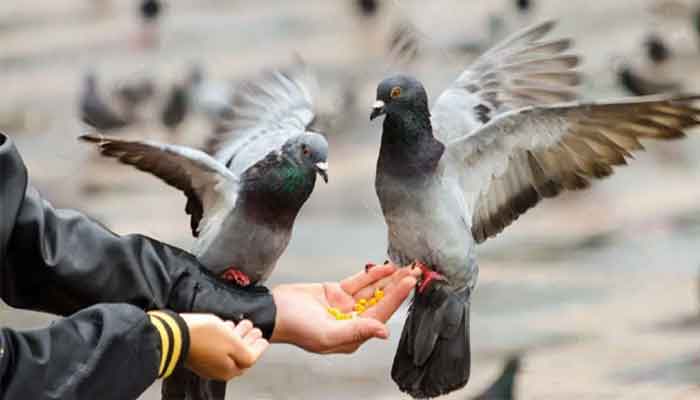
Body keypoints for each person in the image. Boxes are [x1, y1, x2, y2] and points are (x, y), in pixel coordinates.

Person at [0, 132, 419, 400]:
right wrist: (172, 339)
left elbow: (38, 245)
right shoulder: (241, 188)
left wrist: (260, 310)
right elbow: (19, 376)